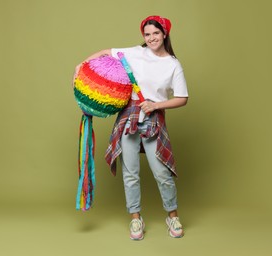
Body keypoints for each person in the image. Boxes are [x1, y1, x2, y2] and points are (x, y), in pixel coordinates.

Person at [74, 15, 189, 240]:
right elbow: (106, 52)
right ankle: (136, 219)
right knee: (130, 173)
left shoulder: (173, 64)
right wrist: (81, 64)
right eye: (147, 34)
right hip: (128, 118)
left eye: (156, 33)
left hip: (153, 118)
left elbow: (182, 98)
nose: (152, 38)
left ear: (164, 34)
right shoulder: (136, 52)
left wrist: (156, 104)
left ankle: (172, 216)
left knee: (162, 173)